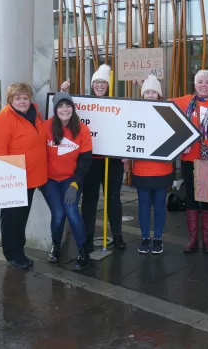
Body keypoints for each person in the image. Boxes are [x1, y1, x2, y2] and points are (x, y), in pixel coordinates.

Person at [60, 64, 127, 252]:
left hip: (112, 161)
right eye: (96, 82)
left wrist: (126, 153)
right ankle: (88, 235)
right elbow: (64, 110)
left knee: (113, 198)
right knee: (89, 199)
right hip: (90, 160)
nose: (100, 85)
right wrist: (64, 91)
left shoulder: (117, 103)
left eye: (103, 82)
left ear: (108, 85)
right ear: (92, 84)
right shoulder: (83, 103)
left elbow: (126, 129)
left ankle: (118, 235)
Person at [0, 83, 48, 269]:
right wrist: (8, 179)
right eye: (18, 98)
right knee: (12, 219)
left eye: (25, 98)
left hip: (30, 178)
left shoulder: (34, 114)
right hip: (13, 180)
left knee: (21, 218)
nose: (22, 101)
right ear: (10, 100)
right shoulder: (3, 119)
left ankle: (19, 251)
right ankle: (12, 254)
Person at [171, 70, 208, 253]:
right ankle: (192, 239)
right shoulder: (185, 101)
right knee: (191, 198)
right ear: (195, 85)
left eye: (207, 82)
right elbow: (163, 107)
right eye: (200, 82)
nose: (204, 85)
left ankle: (207, 240)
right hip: (189, 158)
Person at [42, 92, 93, 270]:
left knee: (71, 211)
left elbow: (85, 161)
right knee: (58, 214)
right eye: (61, 106)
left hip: (71, 179)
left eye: (68, 105)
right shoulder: (45, 127)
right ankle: (56, 246)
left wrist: (75, 183)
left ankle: (83, 249)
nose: (65, 109)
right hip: (49, 180)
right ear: (55, 109)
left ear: (73, 108)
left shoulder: (82, 129)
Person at [133, 75, 174, 254]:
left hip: (163, 169)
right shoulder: (135, 110)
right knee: (143, 205)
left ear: (159, 94)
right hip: (141, 169)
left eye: (153, 92)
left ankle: (157, 239)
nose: (150, 95)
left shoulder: (168, 111)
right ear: (143, 94)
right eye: (147, 92)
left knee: (159, 206)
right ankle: (144, 238)